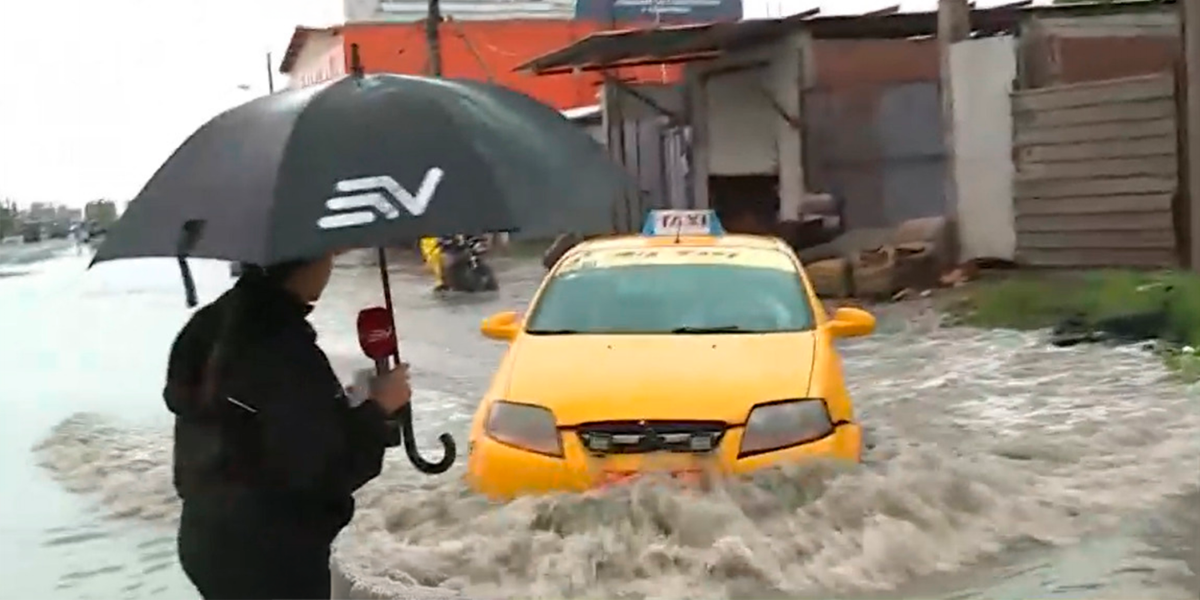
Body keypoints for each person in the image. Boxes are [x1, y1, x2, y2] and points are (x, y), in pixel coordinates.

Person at [163, 254, 413, 600]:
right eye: (328, 256)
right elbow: (324, 469)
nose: (330, 266)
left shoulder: (210, 324)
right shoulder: (283, 347)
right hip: (270, 557)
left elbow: (250, 430)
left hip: (205, 536)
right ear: (304, 264)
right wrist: (379, 408)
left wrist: (336, 409)